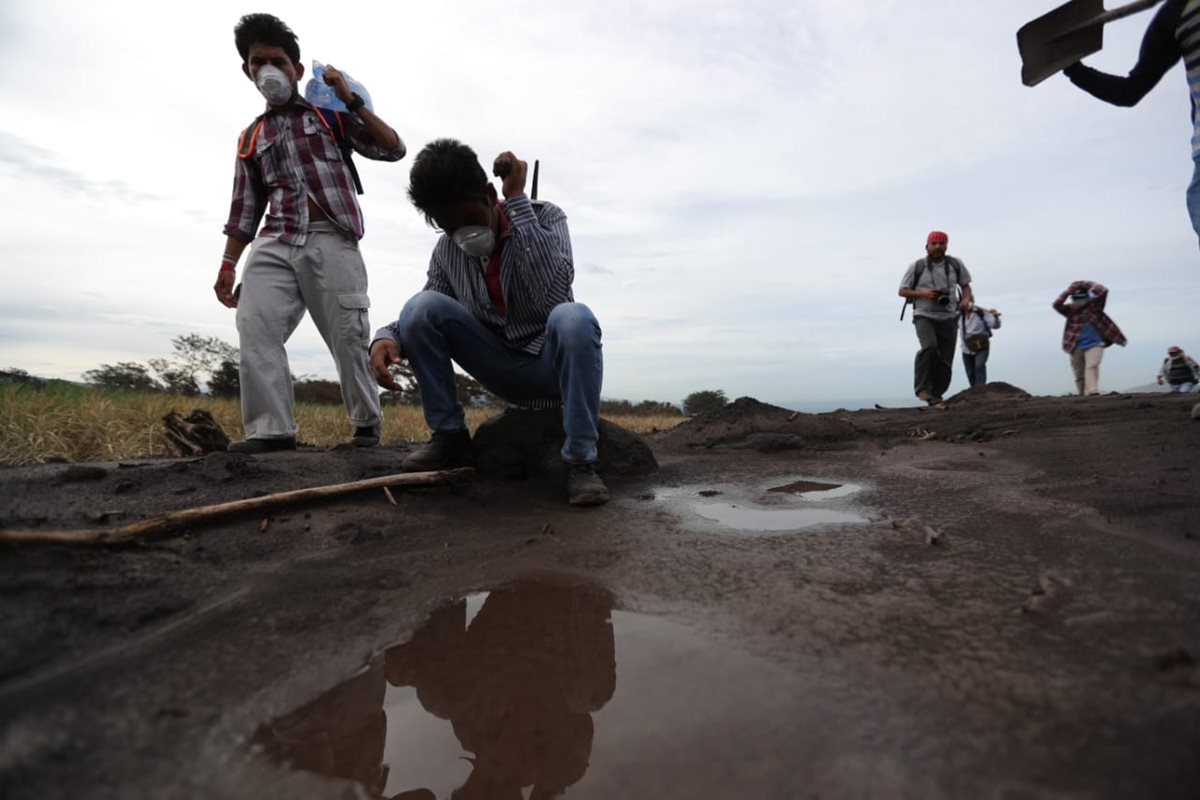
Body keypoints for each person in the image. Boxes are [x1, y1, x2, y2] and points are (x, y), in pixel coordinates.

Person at [369, 139, 608, 507]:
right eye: (450, 227)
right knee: (420, 308)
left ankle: (580, 462)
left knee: (574, 318)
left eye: (471, 220)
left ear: (489, 194)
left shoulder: (546, 217)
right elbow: (429, 304)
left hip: (550, 369)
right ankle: (450, 438)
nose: (464, 235)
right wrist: (387, 338)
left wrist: (517, 203)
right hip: (498, 365)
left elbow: (556, 290)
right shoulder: (447, 251)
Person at [215, 13, 406, 454]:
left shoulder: (331, 116)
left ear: (297, 70)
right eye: (258, 61)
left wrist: (352, 100)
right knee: (254, 325)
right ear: (247, 70)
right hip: (275, 240)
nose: (268, 70)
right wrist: (228, 263)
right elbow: (244, 207)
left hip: (331, 236)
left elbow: (393, 148)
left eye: (277, 61)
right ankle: (271, 431)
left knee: (347, 333)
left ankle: (364, 426)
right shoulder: (251, 137)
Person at [1060, 0, 1200, 244]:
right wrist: (1074, 69)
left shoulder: (1178, 11)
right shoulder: (1176, 13)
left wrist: (1073, 69)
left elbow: (1128, 92)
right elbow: (1129, 92)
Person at [898, 230, 974, 405]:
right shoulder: (917, 266)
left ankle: (937, 394)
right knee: (930, 347)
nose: (938, 246)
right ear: (927, 246)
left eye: (941, 243)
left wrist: (965, 299)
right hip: (924, 315)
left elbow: (966, 286)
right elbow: (902, 291)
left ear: (946, 245)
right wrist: (924, 293)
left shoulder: (955, 264)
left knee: (946, 358)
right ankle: (923, 389)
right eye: (934, 243)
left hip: (949, 316)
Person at [1052, 280, 1128, 396]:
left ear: (1087, 297)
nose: (1079, 301)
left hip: (1095, 343)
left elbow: (1102, 290)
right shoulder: (1070, 310)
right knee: (1079, 375)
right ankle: (1083, 395)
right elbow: (1056, 304)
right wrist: (1069, 290)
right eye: (1076, 298)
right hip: (1075, 345)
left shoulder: (1095, 306)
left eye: (1082, 298)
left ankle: (1092, 391)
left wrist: (1084, 284)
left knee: (1092, 366)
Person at [959, 302, 1002, 387]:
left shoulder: (980, 313)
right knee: (970, 372)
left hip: (982, 346)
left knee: (979, 366)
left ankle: (980, 388)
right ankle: (974, 389)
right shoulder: (958, 315)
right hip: (966, 348)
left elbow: (995, 325)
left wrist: (995, 317)